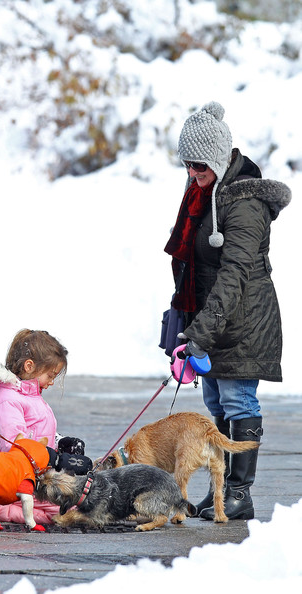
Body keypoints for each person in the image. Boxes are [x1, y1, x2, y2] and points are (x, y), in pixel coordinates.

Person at [164, 102, 291, 520]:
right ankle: (220, 491)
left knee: (238, 401)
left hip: (243, 320)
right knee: (217, 403)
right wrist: (184, 322)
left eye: (199, 166)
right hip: (214, 319)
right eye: (187, 165)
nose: (192, 174)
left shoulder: (246, 203)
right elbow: (192, 264)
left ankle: (240, 493)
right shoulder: (204, 192)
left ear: (219, 159)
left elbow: (235, 272)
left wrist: (202, 331)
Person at [0, 329, 87, 525]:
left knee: (84, 495)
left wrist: (60, 443)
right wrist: (57, 459)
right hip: (16, 483)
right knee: (76, 505)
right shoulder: (6, 402)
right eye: (50, 375)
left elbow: (36, 432)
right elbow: (16, 447)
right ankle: (6, 507)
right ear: (29, 366)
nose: (52, 382)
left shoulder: (29, 397)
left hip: (36, 475)